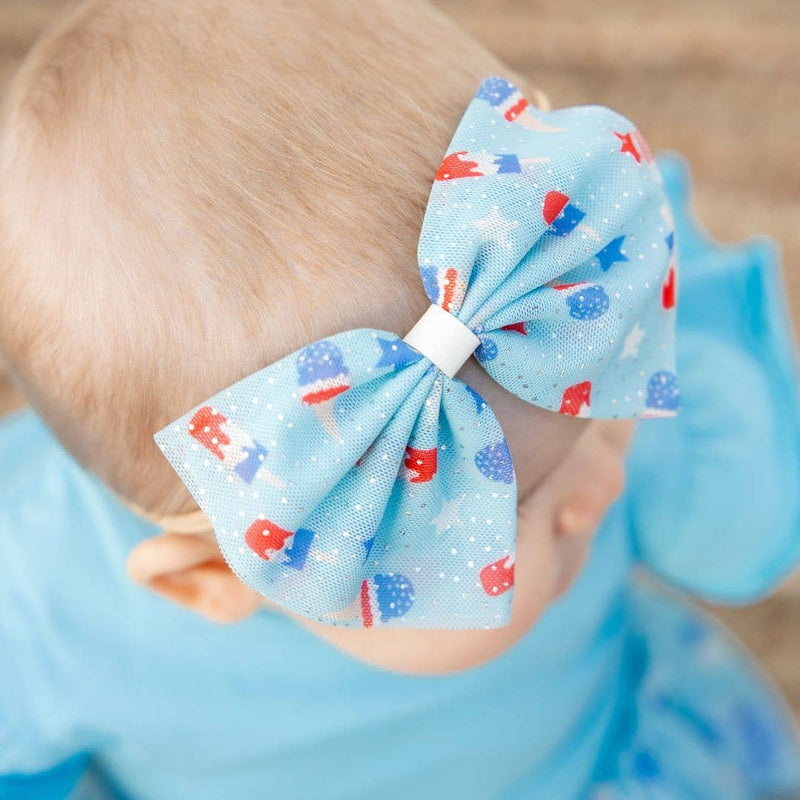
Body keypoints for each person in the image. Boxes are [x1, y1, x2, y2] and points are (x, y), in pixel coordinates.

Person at [1, 1, 799, 797]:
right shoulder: (36, 608)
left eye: (590, 412)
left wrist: (648, 283)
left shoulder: (545, 326)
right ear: (211, 578)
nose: (602, 486)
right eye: (510, 512)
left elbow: (740, 531)